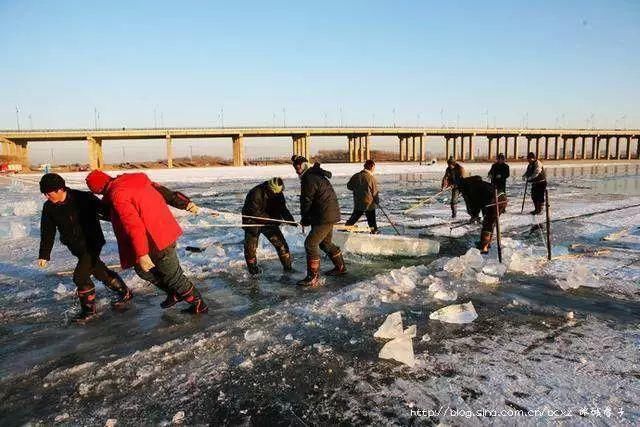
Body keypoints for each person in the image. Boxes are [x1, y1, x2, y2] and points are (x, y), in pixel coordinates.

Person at [85, 170, 208, 314]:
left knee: (173, 276)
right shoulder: (137, 179)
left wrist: (142, 254)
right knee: (142, 271)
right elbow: (164, 192)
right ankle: (174, 293)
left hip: (157, 238)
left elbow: (134, 226)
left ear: (98, 189)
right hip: (157, 234)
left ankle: (199, 304)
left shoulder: (118, 195)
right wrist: (185, 203)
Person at [37, 173, 132, 323]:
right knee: (99, 271)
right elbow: (47, 231)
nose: (46, 196)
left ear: (59, 189)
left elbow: (108, 212)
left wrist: (128, 220)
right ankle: (124, 291)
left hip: (92, 243)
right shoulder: (49, 207)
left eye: (48, 193)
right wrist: (44, 254)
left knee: (80, 276)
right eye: (44, 193)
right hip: (75, 247)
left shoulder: (83, 198)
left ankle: (88, 310)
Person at [291, 156, 345, 286]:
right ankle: (340, 268)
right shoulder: (314, 175)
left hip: (324, 216)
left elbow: (306, 201)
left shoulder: (308, 178)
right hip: (327, 214)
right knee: (325, 243)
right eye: (295, 168)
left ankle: (312, 277)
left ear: (303, 166)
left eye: (298, 168)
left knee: (310, 244)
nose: (297, 171)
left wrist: (305, 218)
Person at [242, 177, 296, 275]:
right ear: (270, 189)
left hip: (270, 220)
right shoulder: (255, 193)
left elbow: (282, 208)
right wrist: (273, 219)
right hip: (252, 221)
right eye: (276, 192)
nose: (278, 194)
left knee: (281, 244)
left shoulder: (278, 193)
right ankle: (253, 272)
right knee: (250, 248)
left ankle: (288, 268)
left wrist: (290, 220)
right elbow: (254, 213)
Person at [457, 176, 508, 254]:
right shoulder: (479, 184)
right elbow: (481, 200)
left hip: (494, 200)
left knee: (488, 223)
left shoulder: (471, 188)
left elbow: (474, 204)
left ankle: (484, 247)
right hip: (502, 198)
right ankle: (487, 243)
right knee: (491, 222)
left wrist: (474, 215)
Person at [345, 159, 379, 234]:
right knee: (372, 220)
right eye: (374, 167)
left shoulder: (356, 176)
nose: (374, 169)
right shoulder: (371, 178)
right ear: (371, 166)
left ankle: (346, 228)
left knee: (354, 217)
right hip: (369, 204)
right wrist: (377, 201)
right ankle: (374, 232)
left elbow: (349, 186)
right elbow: (375, 192)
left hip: (358, 202)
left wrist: (358, 189)